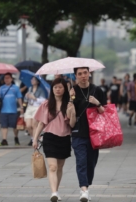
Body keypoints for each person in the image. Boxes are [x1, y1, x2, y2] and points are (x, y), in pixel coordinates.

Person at [32, 78, 76, 202]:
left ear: (64, 89)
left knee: (60, 167)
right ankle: (54, 192)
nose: (57, 89)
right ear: (52, 89)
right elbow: (41, 123)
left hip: (65, 138)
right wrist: (35, 139)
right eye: (55, 87)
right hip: (50, 137)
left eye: (60, 87)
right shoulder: (46, 104)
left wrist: (72, 112)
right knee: (52, 167)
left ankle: (56, 190)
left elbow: (72, 125)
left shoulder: (69, 103)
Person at [69, 67, 107, 201]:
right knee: (81, 162)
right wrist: (70, 99)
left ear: (89, 74)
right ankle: (83, 190)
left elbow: (105, 112)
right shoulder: (72, 92)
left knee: (91, 163)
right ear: (75, 76)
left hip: (94, 134)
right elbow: (68, 114)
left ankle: (86, 185)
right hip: (78, 133)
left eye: (85, 73)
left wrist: (97, 104)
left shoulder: (97, 90)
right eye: (80, 74)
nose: (83, 76)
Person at [0, 73, 24, 146]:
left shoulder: (15, 88)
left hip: (13, 110)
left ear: (11, 79)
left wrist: (21, 107)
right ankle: (4, 140)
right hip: (3, 110)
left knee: (15, 126)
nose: (7, 79)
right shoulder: (1, 88)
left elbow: (19, 98)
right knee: (4, 125)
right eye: (5, 78)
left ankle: (16, 138)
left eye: (8, 78)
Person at [24, 77, 47, 146]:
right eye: (32, 79)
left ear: (37, 81)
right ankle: (33, 138)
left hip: (36, 107)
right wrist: (26, 96)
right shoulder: (30, 88)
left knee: (34, 125)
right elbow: (26, 99)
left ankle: (35, 140)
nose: (32, 81)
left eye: (34, 80)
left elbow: (43, 100)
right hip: (29, 107)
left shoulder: (40, 90)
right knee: (28, 125)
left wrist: (34, 98)